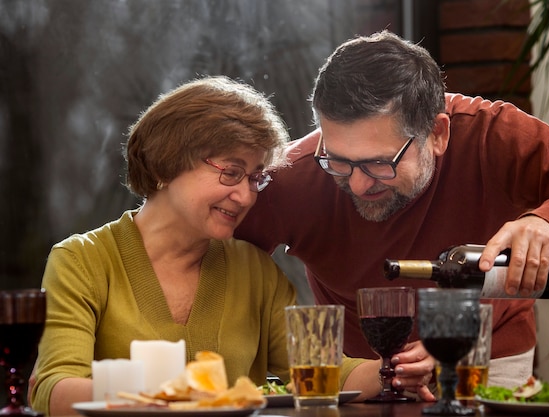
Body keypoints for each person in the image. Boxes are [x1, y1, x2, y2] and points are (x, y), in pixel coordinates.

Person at [235, 30, 549, 394]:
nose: (356, 184)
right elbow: (214, 253)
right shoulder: (298, 172)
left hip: (488, 361)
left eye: (379, 163)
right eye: (339, 161)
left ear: (438, 134)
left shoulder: (494, 136)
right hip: (362, 373)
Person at [29, 76, 386, 416]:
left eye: (255, 178)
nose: (246, 196)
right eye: (231, 172)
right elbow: (54, 390)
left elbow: (327, 375)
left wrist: (395, 369)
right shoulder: (81, 260)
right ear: (166, 164)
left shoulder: (254, 269)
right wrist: (169, 396)